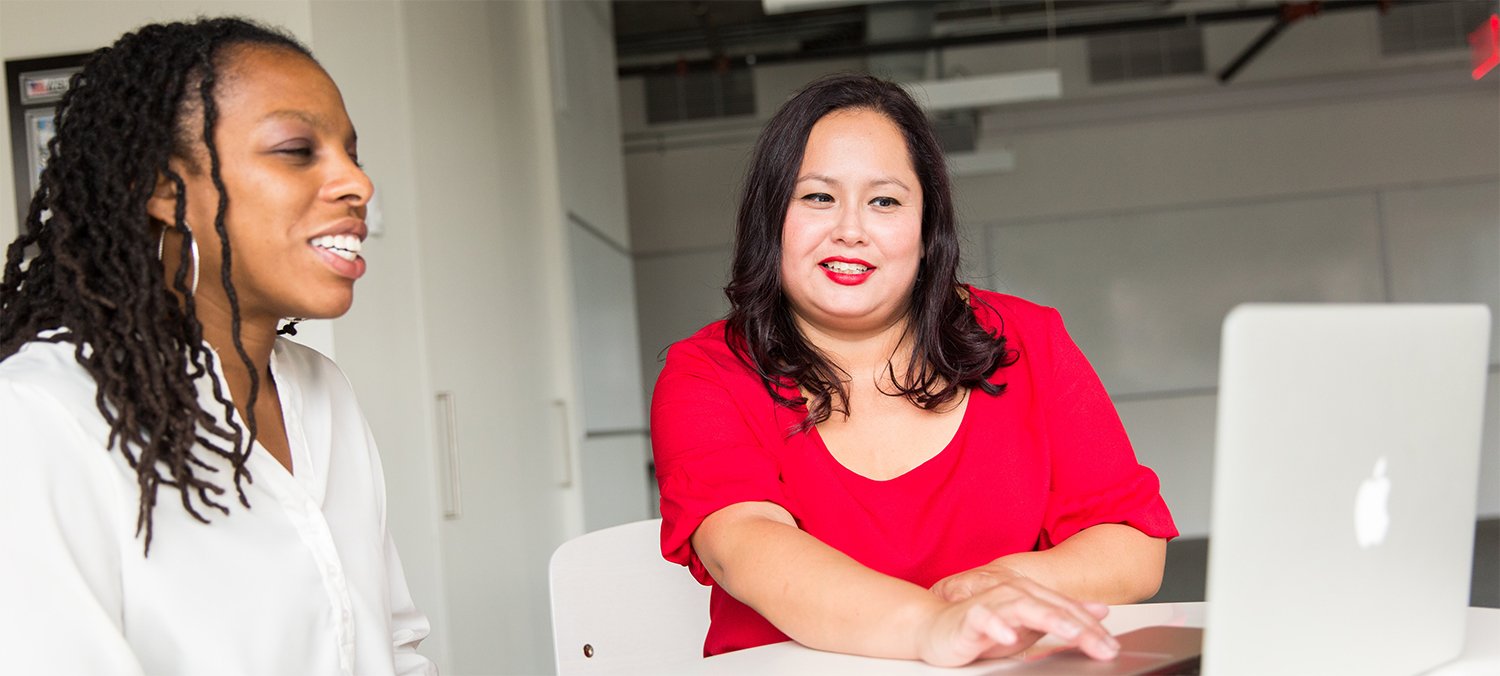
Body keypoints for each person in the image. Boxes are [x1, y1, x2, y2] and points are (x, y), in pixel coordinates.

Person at [650, 73, 1179, 667]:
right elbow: (744, 545)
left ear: (927, 230)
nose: (850, 230)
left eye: (885, 201)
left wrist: (990, 589)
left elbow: (1132, 548)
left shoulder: (1028, 339)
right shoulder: (706, 374)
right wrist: (932, 623)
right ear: (770, 218)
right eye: (818, 196)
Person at [0, 18, 434, 675]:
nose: (357, 185)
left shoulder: (323, 392)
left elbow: (393, 647)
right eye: (297, 149)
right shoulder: (40, 418)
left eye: (352, 153)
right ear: (166, 191)